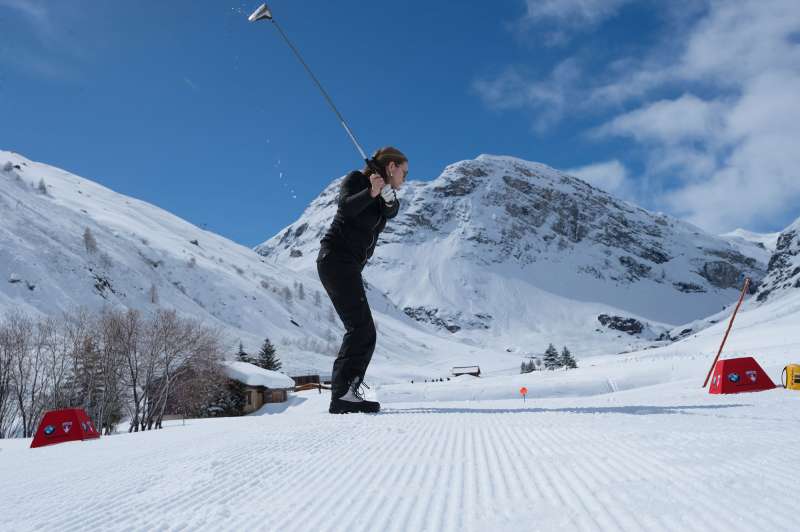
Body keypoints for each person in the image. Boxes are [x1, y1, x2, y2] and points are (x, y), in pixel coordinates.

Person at [316, 147, 408, 414]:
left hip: (349, 266)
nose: (405, 178)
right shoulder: (357, 180)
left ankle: (348, 392)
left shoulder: (385, 195)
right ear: (392, 167)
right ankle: (344, 395)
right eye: (404, 172)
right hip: (335, 259)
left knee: (362, 329)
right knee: (361, 329)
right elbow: (345, 206)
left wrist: (388, 199)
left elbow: (391, 212)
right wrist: (371, 192)